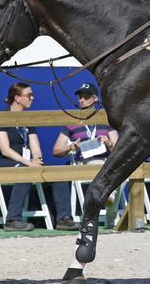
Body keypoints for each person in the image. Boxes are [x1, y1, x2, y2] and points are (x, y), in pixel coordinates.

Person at [0, 83, 79, 232]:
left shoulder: (28, 120)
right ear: (17, 98)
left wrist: (37, 159)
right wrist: (27, 162)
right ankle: (12, 220)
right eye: (28, 95)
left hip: (27, 163)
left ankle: (64, 219)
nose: (32, 98)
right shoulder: (1, 118)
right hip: (7, 163)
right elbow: (5, 150)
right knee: (25, 171)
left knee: (59, 172)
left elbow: (35, 147)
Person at [52, 83, 123, 229]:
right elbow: (56, 150)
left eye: (86, 97)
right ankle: (110, 213)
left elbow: (118, 147)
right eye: (80, 97)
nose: (82, 100)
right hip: (84, 162)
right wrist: (71, 147)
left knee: (123, 173)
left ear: (95, 99)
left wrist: (109, 144)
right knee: (106, 170)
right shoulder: (72, 121)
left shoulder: (106, 119)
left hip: (105, 160)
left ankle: (110, 210)